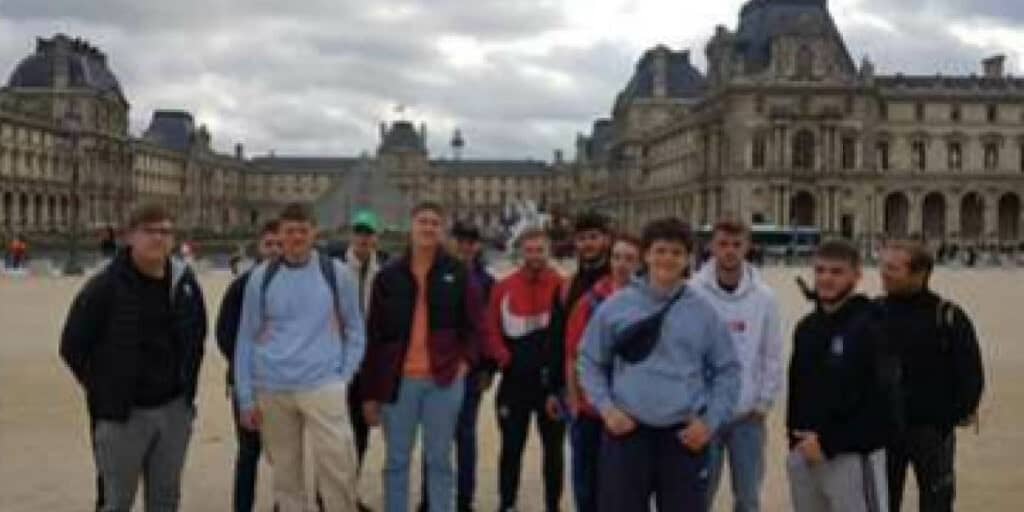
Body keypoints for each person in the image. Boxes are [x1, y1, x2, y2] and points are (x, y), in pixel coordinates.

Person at [580, 217, 741, 511]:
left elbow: (728, 370)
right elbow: (590, 360)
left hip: (683, 436)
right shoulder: (615, 307)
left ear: (688, 259)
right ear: (646, 255)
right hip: (628, 433)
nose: (667, 259)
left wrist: (710, 422)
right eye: (661, 251)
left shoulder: (704, 312)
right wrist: (607, 409)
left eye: (676, 252)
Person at [60, 203, 207, 512]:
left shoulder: (185, 283)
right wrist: (103, 389)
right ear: (129, 237)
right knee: (116, 502)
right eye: (149, 231)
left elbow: (197, 336)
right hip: (123, 415)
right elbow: (72, 346)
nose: (158, 238)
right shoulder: (104, 287)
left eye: (165, 231)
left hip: (174, 410)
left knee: (166, 501)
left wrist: (186, 395)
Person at [234, 203, 366, 512]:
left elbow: (356, 328)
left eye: (303, 230)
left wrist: (343, 376)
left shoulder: (337, 274)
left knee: (339, 471)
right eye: (290, 231)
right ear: (280, 234)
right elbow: (246, 338)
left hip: (323, 383)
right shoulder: (260, 278)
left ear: (314, 233)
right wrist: (246, 397)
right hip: (272, 386)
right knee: (285, 476)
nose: (296, 237)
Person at [361, 202, 483, 512]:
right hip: (399, 380)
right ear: (411, 226)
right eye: (423, 221)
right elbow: (374, 337)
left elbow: (474, 327)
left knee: (439, 459)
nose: (428, 227)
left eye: (434, 222)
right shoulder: (388, 276)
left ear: (441, 230)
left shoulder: (458, 273)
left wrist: (464, 364)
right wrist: (370, 393)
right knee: (396, 460)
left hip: (444, 380)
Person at [786, 240, 900, 512]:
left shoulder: (874, 326)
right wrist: (795, 440)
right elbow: (797, 389)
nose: (826, 278)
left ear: (856, 275)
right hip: (806, 453)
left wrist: (829, 442)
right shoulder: (806, 328)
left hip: (853, 456)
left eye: (836, 272)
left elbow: (883, 401)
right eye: (820, 270)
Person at [880, 240, 984, 512]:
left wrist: (947, 418)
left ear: (920, 273)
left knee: (937, 502)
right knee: (880, 503)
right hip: (883, 430)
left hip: (931, 431)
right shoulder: (873, 313)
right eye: (884, 266)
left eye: (893, 268)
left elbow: (971, 375)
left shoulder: (948, 316)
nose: (884, 274)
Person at [693, 221, 783, 512]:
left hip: (747, 416)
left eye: (736, 244)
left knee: (748, 497)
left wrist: (764, 402)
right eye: (723, 244)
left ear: (747, 247)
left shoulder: (764, 297)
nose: (730, 251)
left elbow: (771, 352)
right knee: (698, 496)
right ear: (711, 246)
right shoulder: (693, 292)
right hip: (705, 414)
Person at [484, 228, 566, 512]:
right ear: (520, 252)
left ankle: (552, 505)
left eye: (539, 250)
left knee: (553, 451)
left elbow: (571, 332)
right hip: (515, 382)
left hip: (551, 385)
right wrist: (504, 358)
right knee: (511, 448)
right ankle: (507, 504)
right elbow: (491, 328)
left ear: (548, 251)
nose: (534, 256)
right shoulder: (503, 287)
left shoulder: (562, 286)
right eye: (529, 250)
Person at [418, 221, 496, 512]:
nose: (465, 247)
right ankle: (430, 499)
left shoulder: (488, 283)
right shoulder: (433, 275)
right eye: (460, 241)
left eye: (470, 242)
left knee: (465, 436)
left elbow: (489, 329)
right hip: (437, 367)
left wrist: (488, 368)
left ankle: (464, 500)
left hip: (471, 370)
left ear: (477, 246)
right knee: (436, 437)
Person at [563, 233, 642, 512]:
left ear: (640, 263)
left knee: (626, 489)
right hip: (592, 410)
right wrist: (575, 403)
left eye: (629, 259)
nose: (622, 264)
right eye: (617, 257)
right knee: (588, 485)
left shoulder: (648, 302)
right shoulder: (589, 303)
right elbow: (572, 355)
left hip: (632, 409)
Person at [215, 220, 283, 512]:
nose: (275, 250)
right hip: (250, 384)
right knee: (248, 452)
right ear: (259, 247)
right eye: (269, 244)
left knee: (286, 456)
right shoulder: (241, 286)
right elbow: (224, 334)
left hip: (285, 384)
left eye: (280, 244)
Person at [326, 210, 389, 512]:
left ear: (376, 237)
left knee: (361, 433)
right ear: (352, 235)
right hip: (337, 362)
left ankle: (348, 494)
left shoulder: (385, 271)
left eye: (369, 233)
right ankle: (329, 495)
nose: (364, 238)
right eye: (360, 232)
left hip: (369, 364)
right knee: (334, 435)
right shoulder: (332, 267)